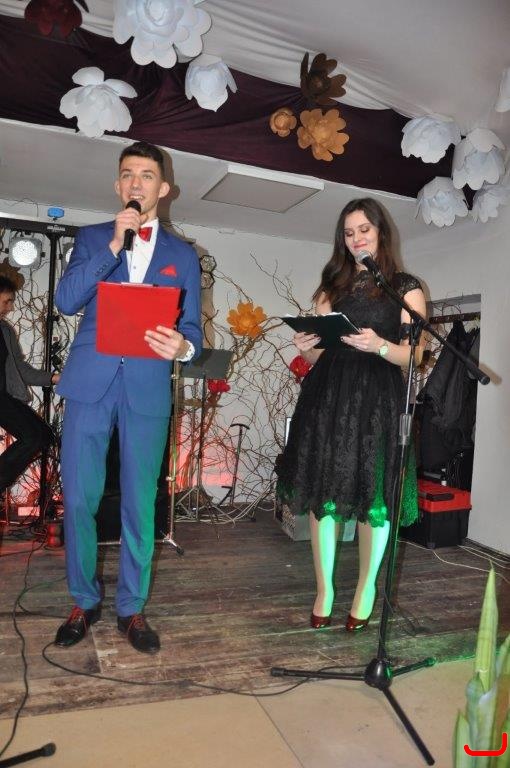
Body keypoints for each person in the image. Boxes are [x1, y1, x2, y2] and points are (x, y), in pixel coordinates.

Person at [54, 141, 202, 654]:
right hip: (89, 384)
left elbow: (192, 331)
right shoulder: (93, 237)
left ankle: (131, 609)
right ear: (118, 186)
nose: (136, 183)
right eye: (127, 174)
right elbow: (66, 300)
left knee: (141, 503)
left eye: (146, 175)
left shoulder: (183, 255)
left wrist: (183, 347)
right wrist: (115, 245)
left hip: (147, 388)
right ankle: (83, 600)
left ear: (165, 188)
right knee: (79, 499)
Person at [276, 198, 426, 631]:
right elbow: (322, 352)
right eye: (348, 232)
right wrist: (308, 346)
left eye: (364, 229)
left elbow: (416, 355)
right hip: (329, 398)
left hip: (378, 400)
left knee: (374, 499)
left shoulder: (405, 287)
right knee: (324, 495)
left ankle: (365, 591)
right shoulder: (332, 286)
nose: (356, 238)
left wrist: (380, 345)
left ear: (381, 233)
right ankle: (324, 590)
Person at [0, 275, 58, 499]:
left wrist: (55, 378)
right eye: (7, 301)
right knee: (35, 436)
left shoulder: (5, 330)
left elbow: (21, 370)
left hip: (3, 396)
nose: (10, 308)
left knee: (42, 435)